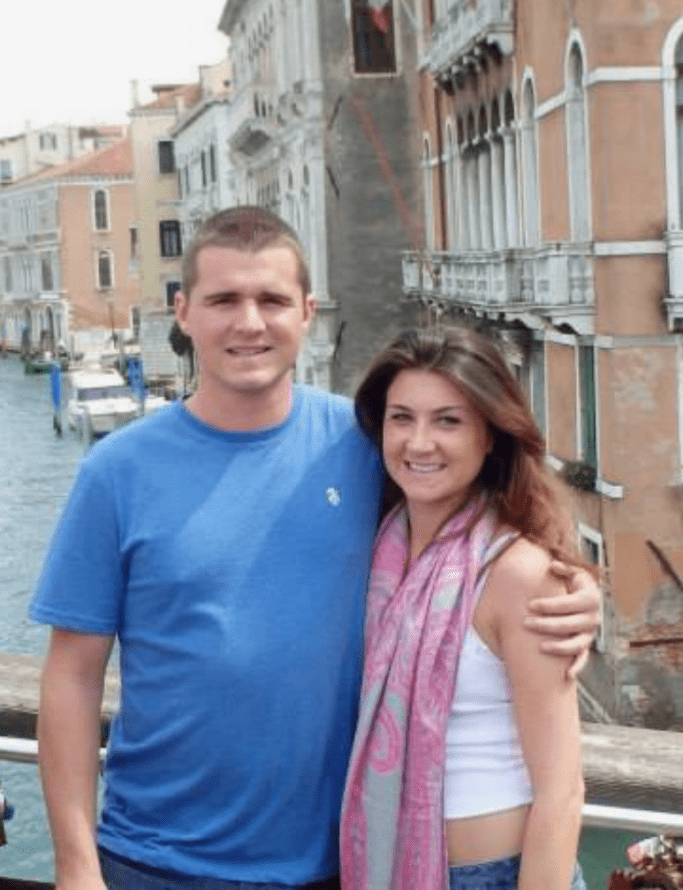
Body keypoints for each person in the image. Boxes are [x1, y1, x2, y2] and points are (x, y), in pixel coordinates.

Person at [30, 208, 599, 890]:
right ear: (184, 312)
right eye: (223, 300)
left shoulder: (367, 444)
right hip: (154, 860)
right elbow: (70, 677)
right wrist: (74, 861)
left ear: (307, 311)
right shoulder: (115, 472)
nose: (249, 322)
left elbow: (474, 537)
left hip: (341, 860)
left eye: (271, 299)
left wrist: (575, 594)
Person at [340, 326, 593, 890]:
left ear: (491, 436)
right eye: (401, 417)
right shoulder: (379, 552)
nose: (419, 442)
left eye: (447, 420)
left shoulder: (519, 573)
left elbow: (562, 788)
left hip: (500, 876)